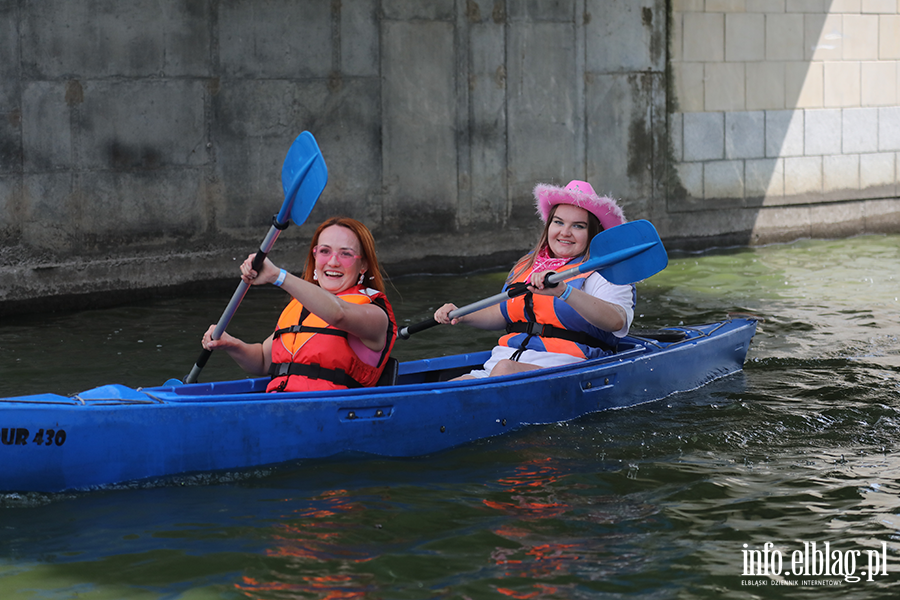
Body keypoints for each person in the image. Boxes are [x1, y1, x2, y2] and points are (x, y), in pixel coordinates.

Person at [434, 180, 634, 378]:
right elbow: (504, 312)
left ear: (593, 232)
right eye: (558, 222)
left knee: (504, 370)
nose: (565, 232)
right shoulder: (528, 264)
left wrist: (564, 292)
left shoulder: (605, 271)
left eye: (578, 226)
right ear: (548, 225)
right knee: (450, 386)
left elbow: (616, 320)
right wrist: (461, 315)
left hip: (568, 366)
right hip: (502, 361)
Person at [202, 216, 396, 392]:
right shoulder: (300, 307)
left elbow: (339, 313)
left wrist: (278, 277)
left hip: (335, 414)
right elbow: (262, 361)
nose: (333, 262)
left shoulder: (375, 315)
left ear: (363, 265)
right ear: (315, 256)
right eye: (324, 251)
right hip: (282, 407)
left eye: (345, 254)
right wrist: (231, 344)